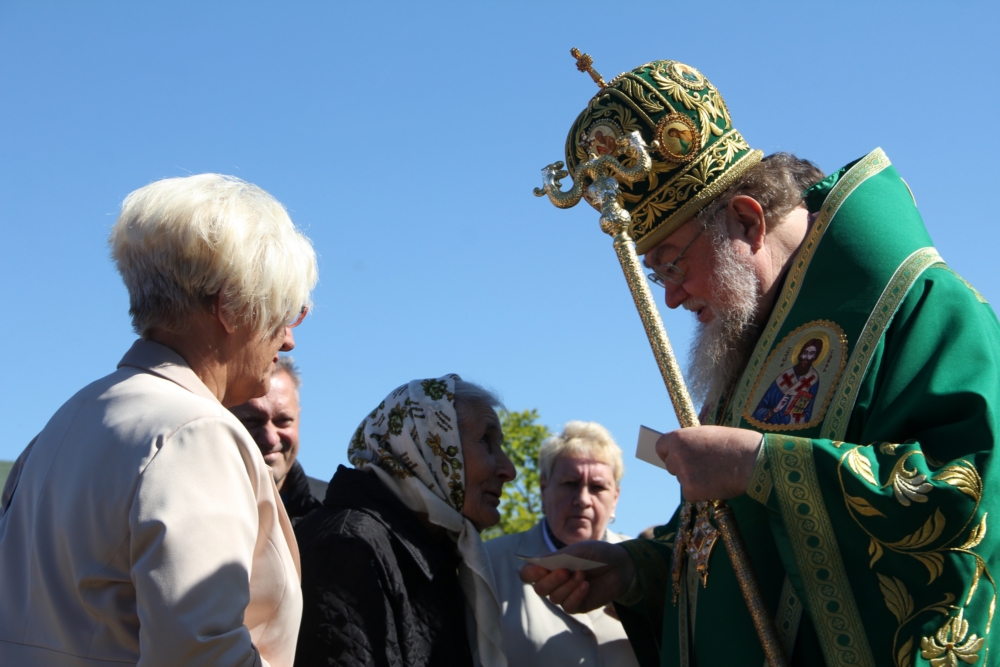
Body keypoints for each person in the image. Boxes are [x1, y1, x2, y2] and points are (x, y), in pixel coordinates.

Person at [523, 57, 1000, 667]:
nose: (668, 295)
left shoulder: (924, 308)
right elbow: (729, 548)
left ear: (747, 221)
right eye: (654, 274)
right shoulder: (748, 350)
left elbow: (967, 499)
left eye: (671, 262)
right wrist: (635, 571)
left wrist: (762, 465)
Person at [0, 174, 318, 667]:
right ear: (231, 309)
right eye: (283, 313)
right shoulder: (195, 434)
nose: (289, 340)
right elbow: (201, 653)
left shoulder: (65, 421)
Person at [294, 375, 515, 667]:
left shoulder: (435, 552)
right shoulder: (348, 547)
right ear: (428, 447)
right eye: (486, 441)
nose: (508, 469)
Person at [485, 421, 638, 667]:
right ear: (544, 489)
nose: (583, 499)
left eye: (598, 487)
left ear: (615, 498)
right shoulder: (491, 562)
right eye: (570, 484)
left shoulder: (643, 566)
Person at [231, 356, 326, 523]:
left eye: (283, 421)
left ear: (299, 417)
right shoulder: (197, 506)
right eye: (252, 421)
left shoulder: (334, 511)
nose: (270, 438)